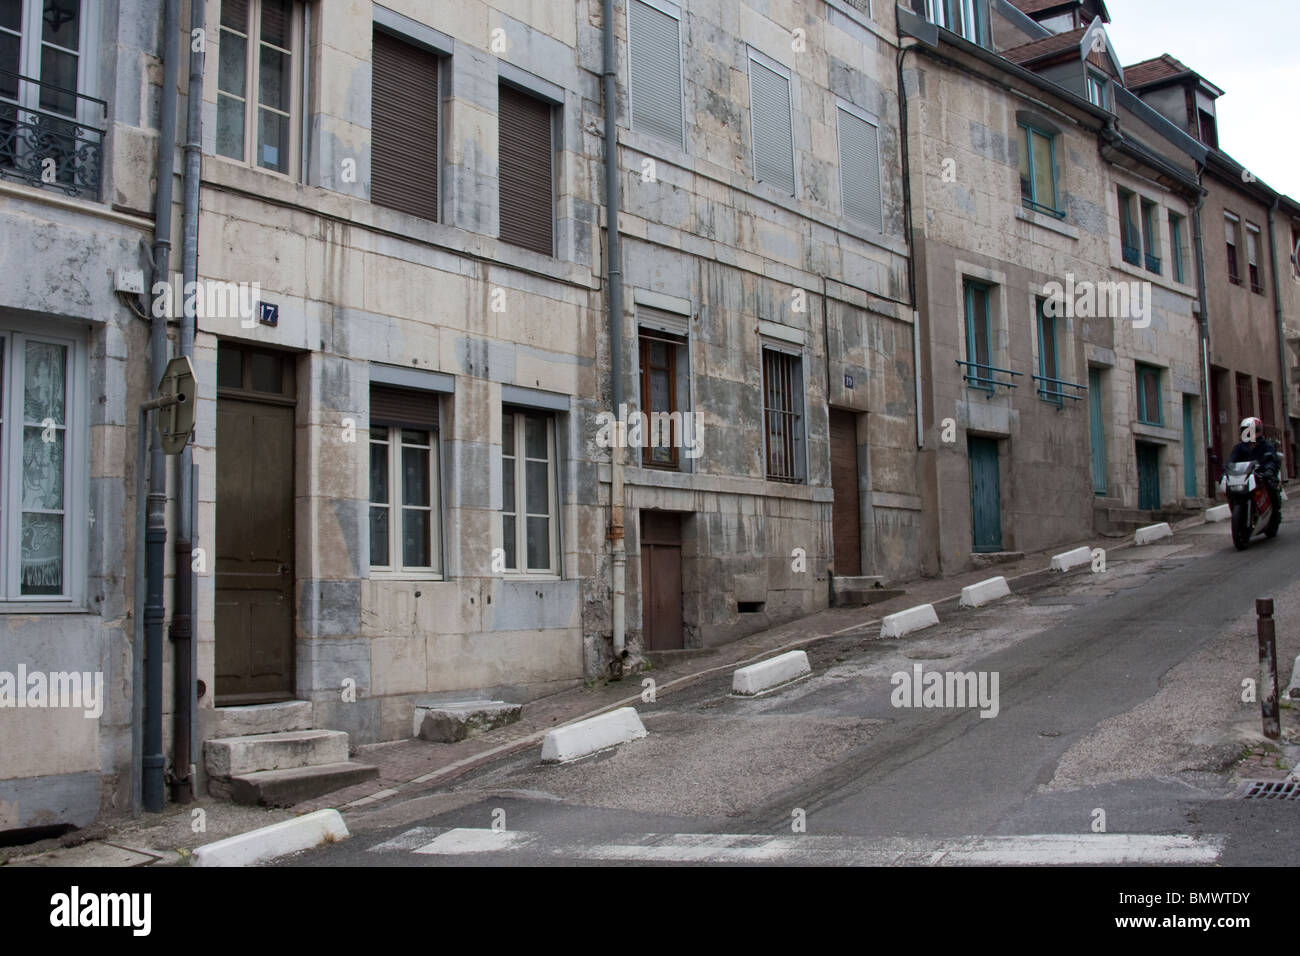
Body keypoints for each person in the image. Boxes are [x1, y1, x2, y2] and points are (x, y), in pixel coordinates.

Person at [1228, 416, 1282, 514]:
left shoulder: (1266, 446)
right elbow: (1231, 461)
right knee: (1231, 490)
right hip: (1245, 477)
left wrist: (1269, 470)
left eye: (1252, 430)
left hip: (1262, 475)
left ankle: (1275, 512)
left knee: (1271, 486)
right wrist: (1226, 470)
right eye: (1246, 430)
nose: (1249, 433)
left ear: (1258, 431)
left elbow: (1271, 460)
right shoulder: (1239, 447)